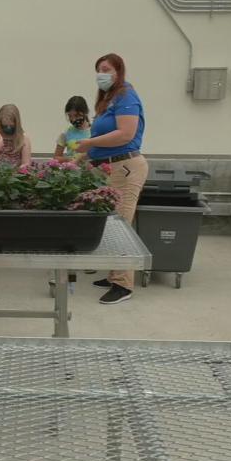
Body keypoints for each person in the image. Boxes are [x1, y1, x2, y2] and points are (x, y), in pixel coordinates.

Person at [76, 53, 147, 305]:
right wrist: (81, 158)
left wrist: (89, 143)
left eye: (106, 69)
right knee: (109, 223)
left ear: (119, 71)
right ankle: (114, 274)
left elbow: (125, 135)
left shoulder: (126, 95)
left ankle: (123, 285)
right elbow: (101, 143)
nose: (101, 74)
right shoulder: (110, 99)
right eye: (98, 69)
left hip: (125, 167)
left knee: (121, 224)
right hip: (109, 168)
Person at [54, 96, 92, 163]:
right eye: (70, 116)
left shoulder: (95, 131)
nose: (73, 119)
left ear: (85, 112)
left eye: (77, 115)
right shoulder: (66, 133)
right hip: (72, 171)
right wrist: (69, 159)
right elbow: (56, 158)